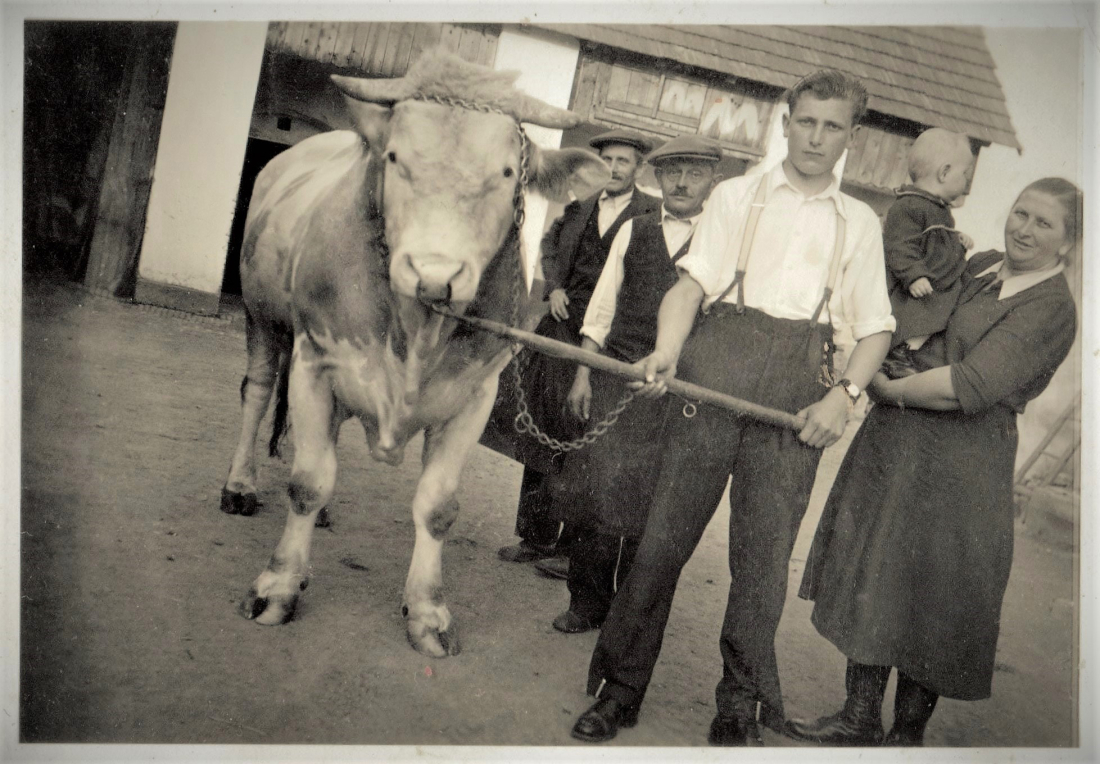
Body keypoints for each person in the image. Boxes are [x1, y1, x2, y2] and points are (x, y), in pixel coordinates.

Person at [571, 69, 896, 746]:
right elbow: (690, 288)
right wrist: (665, 351)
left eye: (833, 126)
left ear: (851, 136)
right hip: (714, 374)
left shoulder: (860, 223)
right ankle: (621, 689)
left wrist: (846, 395)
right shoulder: (737, 197)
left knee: (762, 563)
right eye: (806, 121)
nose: (816, 136)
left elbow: (874, 330)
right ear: (786, 121)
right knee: (661, 542)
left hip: (796, 397)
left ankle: (738, 706)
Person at [787, 177, 1080, 747]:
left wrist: (886, 386)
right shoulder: (983, 265)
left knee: (936, 596)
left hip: (963, 464)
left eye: (1044, 223)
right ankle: (857, 718)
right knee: (877, 573)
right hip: (897, 448)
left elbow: (968, 384)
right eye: (1021, 213)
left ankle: (905, 739)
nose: (1024, 228)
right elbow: (907, 309)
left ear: (1069, 243)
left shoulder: (1052, 308)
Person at [546, 135, 722, 634]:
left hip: (679, 389)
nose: (683, 182)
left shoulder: (721, 239)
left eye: (694, 173)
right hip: (617, 377)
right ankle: (586, 603)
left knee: (651, 506)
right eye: (672, 173)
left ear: (715, 180)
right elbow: (602, 304)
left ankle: (627, 613)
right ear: (657, 178)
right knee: (595, 493)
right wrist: (585, 370)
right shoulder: (636, 230)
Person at [495, 129, 661, 573]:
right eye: (606, 159)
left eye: (623, 161)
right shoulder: (580, 207)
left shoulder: (654, 215)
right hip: (565, 330)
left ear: (639, 168)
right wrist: (553, 288)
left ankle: (575, 551)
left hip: (615, 341)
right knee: (545, 429)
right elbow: (549, 245)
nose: (613, 169)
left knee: (593, 443)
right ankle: (535, 536)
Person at [881, 128, 977, 378]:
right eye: (965, 173)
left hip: (934, 282)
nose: (967, 182)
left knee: (937, 314)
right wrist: (913, 276)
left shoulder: (938, 208)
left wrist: (957, 240)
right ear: (944, 172)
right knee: (913, 317)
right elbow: (900, 245)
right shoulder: (908, 205)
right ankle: (894, 354)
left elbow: (937, 237)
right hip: (912, 286)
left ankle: (909, 351)